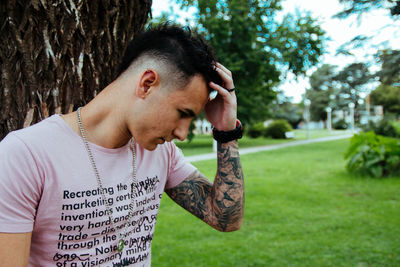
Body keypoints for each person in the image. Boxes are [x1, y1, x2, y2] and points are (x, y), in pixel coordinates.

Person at [0, 23, 244, 266]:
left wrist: (227, 132)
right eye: (182, 113)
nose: (182, 133)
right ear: (147, 83)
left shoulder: (162, 152)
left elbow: (225, 218)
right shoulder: (25, 155)